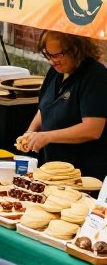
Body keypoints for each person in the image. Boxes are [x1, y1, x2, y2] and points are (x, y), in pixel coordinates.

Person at [18, 30, 107, 179]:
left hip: (82, 173)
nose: (53, 61)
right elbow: (46, 107)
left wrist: (47, 137)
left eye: (58, 55)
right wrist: (30, 131)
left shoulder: (95, 77)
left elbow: (92, 129)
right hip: (52, 169)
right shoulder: (55, 72)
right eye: (48, 55)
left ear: (76, 50)